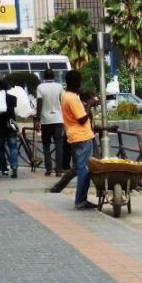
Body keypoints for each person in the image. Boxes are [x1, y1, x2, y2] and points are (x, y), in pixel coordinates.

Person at [60, 70, 96, 210]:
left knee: (81, 168)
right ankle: (81, 200)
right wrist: (90, 104)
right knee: (84, 169)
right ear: (76, 82)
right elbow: (82, 119)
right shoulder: (72, 98)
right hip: (81, 136)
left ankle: (81, 199)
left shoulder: (65, 95)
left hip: (74, 136)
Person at [35, 68, 64, 176]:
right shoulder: (59, 86)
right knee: (58, 145)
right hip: (58, 119)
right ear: (54, 77)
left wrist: (37, 119)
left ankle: (48, 169)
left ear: (44, 77)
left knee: (46, 145)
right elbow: (62, 101)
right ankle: (59, 170)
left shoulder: (40, 87)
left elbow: (39, 102)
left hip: (46, 120)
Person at [0, 78, 19, 178]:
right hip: (11, 125)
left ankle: (3, 169)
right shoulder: (13, 98)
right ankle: (14, 169)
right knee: (13, 147)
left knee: (0, 148)